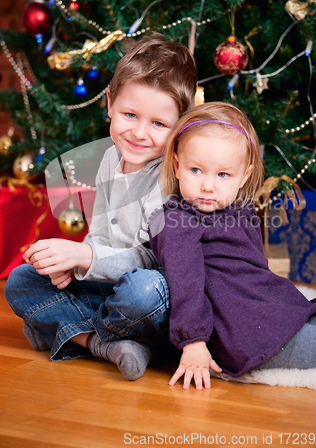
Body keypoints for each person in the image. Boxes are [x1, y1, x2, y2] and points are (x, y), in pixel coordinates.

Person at [4, 33, 197, 381]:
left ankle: (66, 331)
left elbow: (151, 259)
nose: (139, 132)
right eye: (130, 114)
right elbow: (100, 234)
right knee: (20, 280)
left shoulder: (170, 177)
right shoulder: (112, 157)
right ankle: (106, 344)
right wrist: (74, 264)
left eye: (158, 123)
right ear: (109, 103)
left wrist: (84, 259)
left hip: (148, 296)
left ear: (179, 126)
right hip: (107, 290)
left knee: (146, 291)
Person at [148, 101, 316, 390]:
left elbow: (256, 270)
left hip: (268, 304)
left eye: (223, 175)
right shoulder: (177, 222)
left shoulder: (238, 210)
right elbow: (186, 283)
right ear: (177, 165)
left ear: (244, 175)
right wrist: (193, 341)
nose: (208, 185)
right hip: (242, 331)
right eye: (196, 170)